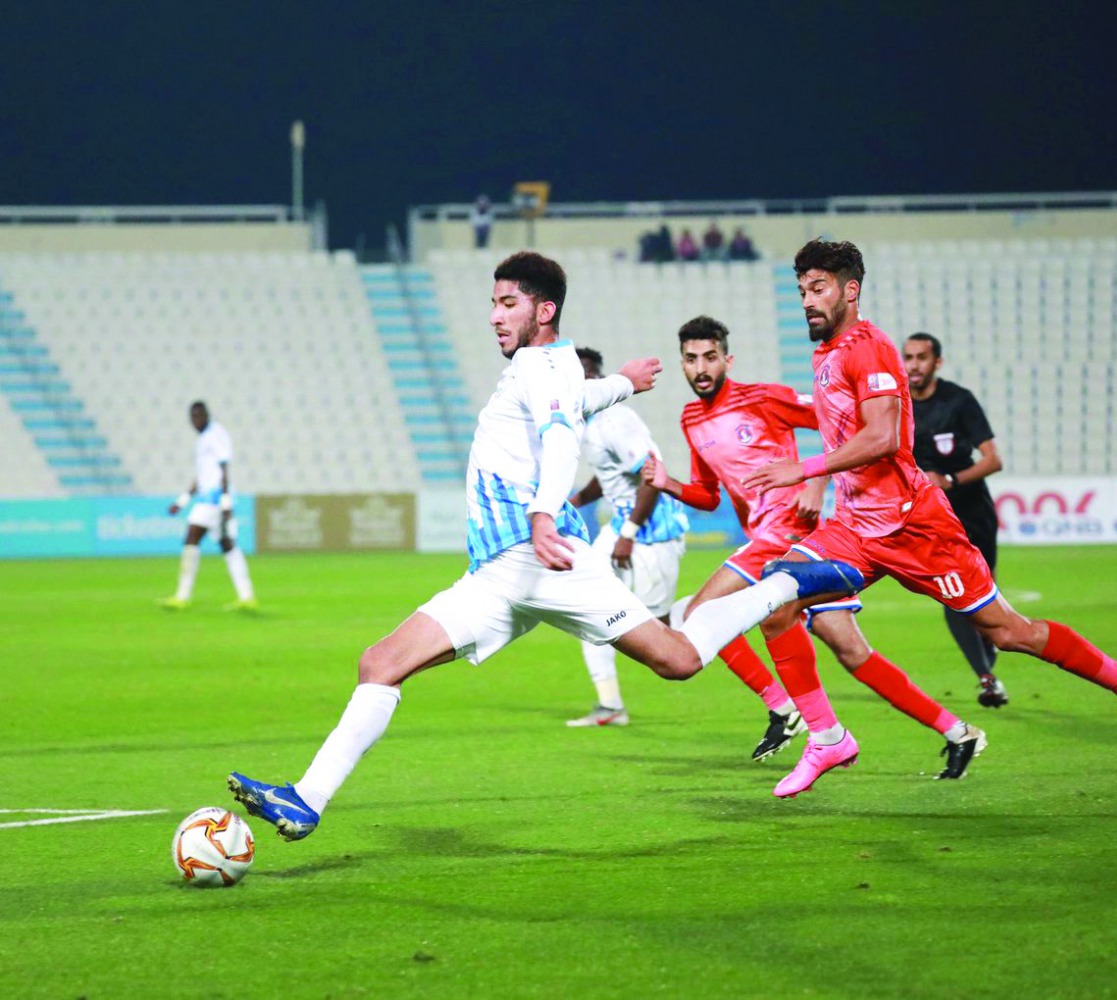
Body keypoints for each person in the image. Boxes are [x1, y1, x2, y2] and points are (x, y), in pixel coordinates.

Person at [227, 251, 862, 842]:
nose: (494, 315)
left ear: (544, 309)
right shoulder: (548, 369)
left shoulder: (541, 367)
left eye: (508, 303)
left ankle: (787, 584)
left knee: (677, 659)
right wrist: (623, 382)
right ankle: (306, 799)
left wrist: (540, 514)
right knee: (380, 663)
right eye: (494, 303)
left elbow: (560, 437)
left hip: (543, 558)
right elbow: (575, 403)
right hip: (498, 573)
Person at [741, 238, 1117, 799]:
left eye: (818, 288)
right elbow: (845, 433)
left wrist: (802, 470)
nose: (806, 300)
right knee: (777, 601)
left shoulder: (868, 348)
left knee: (1008, 632)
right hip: (854, 527)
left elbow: (882, 437)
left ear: (850, 291)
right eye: (801, 290)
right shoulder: (826, 354)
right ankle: (827, 737)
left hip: (914, 526)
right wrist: (821, 481)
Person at [646, 316, 984, 775]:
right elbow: (708, 495)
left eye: (710, 357)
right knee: (853, 653)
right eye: (691, 359)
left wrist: (815, 481)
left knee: (697, 613)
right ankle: (957, 732)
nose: (701, 367)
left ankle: (783, 707)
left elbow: (839, 426)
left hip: (789, 532)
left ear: (728, 359)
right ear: (682, 364)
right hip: (783, 545)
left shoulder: (763, 398)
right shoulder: (691, 419)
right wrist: (667, 483)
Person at [566, 347, 690, 726]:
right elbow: (607, 474)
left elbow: (652, 475)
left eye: (586, 375)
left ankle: (711, 610)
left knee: (664, 634)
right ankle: (610, 706)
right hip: (622, 526)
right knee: (588, 607)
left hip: (652, 533)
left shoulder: (615, 420)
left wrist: (629, 534)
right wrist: (575, 501)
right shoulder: (587, 421)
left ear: (597, 379)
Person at [904, 333, 1008, 707]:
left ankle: (989, 652)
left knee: (983, 596)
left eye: (921, 357)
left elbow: (993, 459)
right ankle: (986, 678)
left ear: (937, 362)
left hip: (972, 509)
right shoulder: (897, 404)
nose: (914, 365)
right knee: (952, 594)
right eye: (908, 357)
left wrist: (949, 480)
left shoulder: (958, 400)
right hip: (931, 518)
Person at [158, 401, 257, 611]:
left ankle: (182, 596)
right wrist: (182, 501)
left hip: (214, 499)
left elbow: (224, 468)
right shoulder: (204, 439)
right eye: (192, 418)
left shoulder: (216, 434)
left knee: (192, 538)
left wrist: (225, 501)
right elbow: (203, 476)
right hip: (210, 498)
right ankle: (247, 597)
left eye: (198, 416)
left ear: (206, 415)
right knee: (227, 545)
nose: (195, 421)